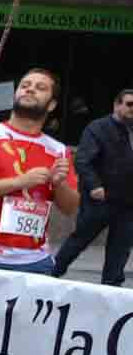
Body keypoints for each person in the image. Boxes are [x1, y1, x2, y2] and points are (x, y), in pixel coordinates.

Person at [0, 68, 77, 275]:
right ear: (15, 95)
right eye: (25, 86)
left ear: (52, 104)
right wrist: (19, 182)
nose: (30, 90)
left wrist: (59, 183)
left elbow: (70, 207)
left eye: (40, 88)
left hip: (36, 260)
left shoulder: (59, 150)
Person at [53, 84, 133, 285]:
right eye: (130, 104)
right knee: (80, 239)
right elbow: (82, 160)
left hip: (127, 203)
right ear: (117, 105)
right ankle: (53, 272)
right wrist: (94, 185)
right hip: (100, 199)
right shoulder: (98, 128)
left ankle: (111, 287)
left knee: (121, 247)